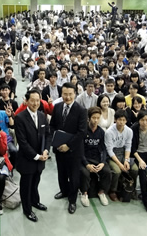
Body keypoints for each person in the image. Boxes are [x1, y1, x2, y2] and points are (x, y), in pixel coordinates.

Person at [50, 82, 87, 214]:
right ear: (61, 94)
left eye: (70, 94)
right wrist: (57, 140)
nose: (67, 97)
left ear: (75, 94)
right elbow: (52, 125)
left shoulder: (81, 110)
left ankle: (72, 200)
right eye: (65, 94)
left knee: (74, 176)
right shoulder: (57, 107)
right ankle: (64, 191)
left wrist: (68, 145)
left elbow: (82, 132)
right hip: (59, 148)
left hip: (74, 150)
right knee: (61, 173)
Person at [14, 89, 51, 222]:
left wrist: (46, 150)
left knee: (35, 183)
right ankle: (27, 209)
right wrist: (36, 156)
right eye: (32, 100)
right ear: (26, 101)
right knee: (26, 186)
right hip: (27, 159)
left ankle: (35, 202)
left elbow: (47, 135)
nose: (35, 103)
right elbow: (22, 142)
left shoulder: (42, 115)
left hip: (40, 158)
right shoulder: (20, 118)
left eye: (38, 100)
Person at [80, 107, 111, 207]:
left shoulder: (101, 132)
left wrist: (102, 162)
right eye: (94, 118)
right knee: (84, 173)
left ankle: (101, 192)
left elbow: (103, 149)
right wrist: (87, 164)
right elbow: (80, 151)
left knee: (107, 171)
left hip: (97, 159)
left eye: (98, 118)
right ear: (89, 118)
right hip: (85, 159)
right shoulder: (83, 131)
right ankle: (84, 193)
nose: (96, 120)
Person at [105, 109, 138, 202]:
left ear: (126, 121)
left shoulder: (129, 131)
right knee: (117, 171)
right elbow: (109, 150)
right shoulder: (109, 132)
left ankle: (131, 188)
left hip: (123, 153)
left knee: (135, 169)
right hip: (112, 155)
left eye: (124, 120)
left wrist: (126, 160)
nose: (121, 122)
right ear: (115, 120)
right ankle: (113, 191)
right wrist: (120, 164)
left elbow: (128, 146)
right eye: (119, 120)